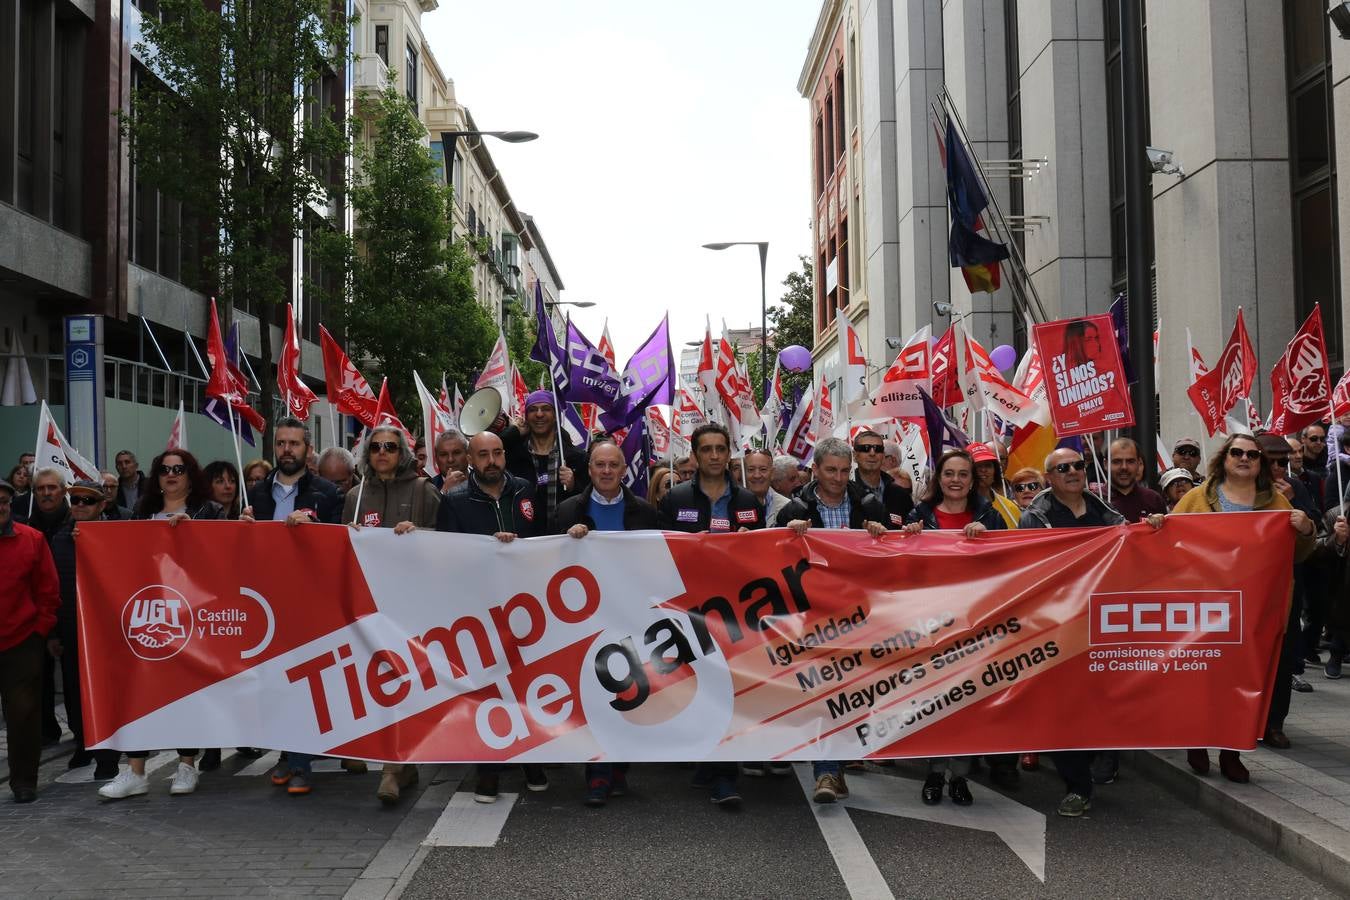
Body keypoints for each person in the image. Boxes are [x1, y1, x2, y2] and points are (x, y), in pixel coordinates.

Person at [1018, 447, 1162, 817]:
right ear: (1049, 477)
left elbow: (1137, 556)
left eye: (1078, 466)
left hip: (1102, 626)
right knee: (1062, 709)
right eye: (1062, 468)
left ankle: (1096, 758)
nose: (1072, 472)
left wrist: (1155, 531)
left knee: (1100, 704)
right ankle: (1077, 785)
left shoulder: (1108, 515)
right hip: (1056, 627)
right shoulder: (1035, 519)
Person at [1172, 433, 1315, 782]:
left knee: (1242, 683)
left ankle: (1232, 751)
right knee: (1203, 680)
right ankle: (1197, 740)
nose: (1244, 458)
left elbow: (1298, 554)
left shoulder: (1277, 503)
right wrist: (1160, 525)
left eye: (1252, 454)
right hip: (1205, 608)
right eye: (1237, 452)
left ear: (1260, 464)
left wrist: (1307, 529)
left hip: (1254, 613)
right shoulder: (1196, 498)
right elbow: (1170, 543)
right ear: (1224, 458)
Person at [99, 450, 224, 801]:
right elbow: (122, 553)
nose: (171, 475)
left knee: (186, 691)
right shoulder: (141, 511)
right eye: (165, 470)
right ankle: (135, 771)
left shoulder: (208, 511)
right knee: (142, 691)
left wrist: (192, 534)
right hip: (149, 611)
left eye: (178, 469)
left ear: (190, 474)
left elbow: (221, 559)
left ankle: (187, 764)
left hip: (190, 615)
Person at [776, 437, 890, 804]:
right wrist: (786, 535)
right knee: (825, 691)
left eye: (844, 471)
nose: (839, 478)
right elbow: (769, 559)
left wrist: (879, 534)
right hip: (811, 616)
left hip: (858, 615)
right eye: (831, 470)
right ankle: (826, 772)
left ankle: (835, 766)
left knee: (851, 693)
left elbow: (893, 554)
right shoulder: (795, 507)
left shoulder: (869, 504)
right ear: (816, 469)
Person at [436, 431, 547, 803]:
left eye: (497, 453)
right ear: (471, 458)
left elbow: (545, 540)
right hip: (479, 608)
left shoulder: (525, 490)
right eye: (483, 454)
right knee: (487, 689)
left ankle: (532, 758)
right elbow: (445, 556)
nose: (492, 461)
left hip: (525, 605)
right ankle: (489, 769)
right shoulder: (453, 500)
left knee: (527, 683)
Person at [659, 423, 765, 807]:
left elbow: (762, 554)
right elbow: (662, 554)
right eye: (708, 449)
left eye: (722, 448)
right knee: (699, 683)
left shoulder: (749, 502)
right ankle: (708, 757)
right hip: (690, 608)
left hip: (735, 610)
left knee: (730, 687)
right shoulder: (675, 499)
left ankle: (724, 774)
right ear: (696, 454)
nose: (716, 455)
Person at [237, 419, 344, 796]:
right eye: (281, 443)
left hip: (309, 602)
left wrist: (313, 527)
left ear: (307, 449)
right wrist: (241, 526)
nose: (287, 450)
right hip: (265, 602)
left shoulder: (327, 493)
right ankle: (288, 756)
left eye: (294, 443)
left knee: (302, 681)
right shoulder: (253, 495)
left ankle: (299, 762)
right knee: (276, 683)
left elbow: (340, 546)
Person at [557, 441, 661, 807]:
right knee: (595, 696)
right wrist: (567, 545)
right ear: (589, 469)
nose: (605, 471)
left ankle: (619, 766)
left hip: (632, 616)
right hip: (585, 621)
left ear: (623, 469)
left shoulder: (646, 513)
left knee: (630, 692)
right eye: (599, 464)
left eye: (612, 465)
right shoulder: (568, 511)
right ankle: (598, 773)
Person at [343, 426, 440, 804]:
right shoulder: (355, 495)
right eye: (377, 447)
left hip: (410, 606)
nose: (383, 452)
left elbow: (446, 542)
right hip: (369, 606)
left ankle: (391, 769)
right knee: (376, 683)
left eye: (391, 447)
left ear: (402, 454)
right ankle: (400, 763)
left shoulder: (422, 491)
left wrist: (420, 533)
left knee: (403, 683)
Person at [902, 449, 1006, 799]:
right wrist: (910, 537)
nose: (956, 480)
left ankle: (960, 775)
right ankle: (933, 773)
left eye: (964, 474)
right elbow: (901, 569)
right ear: (939, 479)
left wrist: (989, 539)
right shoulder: (919, 516)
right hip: (931, 625)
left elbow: (1011, 564)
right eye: (949, 473)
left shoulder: (990, 517)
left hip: (975, 623)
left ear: (973, 480)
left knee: (966, 701)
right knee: (933, 702)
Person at [47, 480, 120, 780]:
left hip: (107, 630)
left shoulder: (117, 536)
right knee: (75, 692)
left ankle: (108, 756)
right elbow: (51, 589)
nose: (79, 505)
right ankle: (82, 743)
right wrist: (53, 634)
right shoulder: (59, 539)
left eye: (87, 501)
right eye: (74, 500)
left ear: (102, 505)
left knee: (106, 692)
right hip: (70, 629)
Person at [0, 476, 59, 803]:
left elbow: (48, 590)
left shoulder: (32, 539)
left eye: (5, 502)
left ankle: (24, 781)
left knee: (23, 714)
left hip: (22, 640)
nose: (1, 508)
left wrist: (40, 630)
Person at [501, 391, 587, 533]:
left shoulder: (576, 458)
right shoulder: (512, 457)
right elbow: (484, 449)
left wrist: (574, 485)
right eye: (533, 410)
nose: (539, 414)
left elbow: (591, 499)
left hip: (565, 542)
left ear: (555, 415)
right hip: (526, 544)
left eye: (546, 409)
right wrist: (513, 432)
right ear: (526, 416)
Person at [27, 468, 68, 745]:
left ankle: (84, 735)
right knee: (37, 680)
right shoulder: (26, 529)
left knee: (76, 681)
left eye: (52, 488)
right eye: (40, 489)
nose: (46, 493)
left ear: (63, 491)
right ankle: (46, 730)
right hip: (37, 617)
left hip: (73, 614)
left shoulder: (78, 522)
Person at [1315, 507, 1350, 681]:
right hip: (1342, 586)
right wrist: (1337, 540)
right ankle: (1336, 653)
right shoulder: (1336, 515)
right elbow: (1314, 550)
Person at [851, 429, 913, 525]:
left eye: (878, 449)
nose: (872, 453)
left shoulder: (900, 494)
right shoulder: (846, 491)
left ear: (883, 456)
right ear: (855, 455)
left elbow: (911, 527)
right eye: (865, 448)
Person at [1101, 437, 1167, 524]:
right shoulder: (1095, 501)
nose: (1124, 467)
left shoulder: (1154, 499)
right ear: (1106, 464)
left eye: (1130, 461)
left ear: (1139, 463)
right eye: (1117, 461)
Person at [967, 443, 1021, 528]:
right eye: (977, 466)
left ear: (995, 471)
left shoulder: (1011, 508)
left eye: (988, 465)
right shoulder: (958, 508)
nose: (983, 470)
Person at [744, 449, 791, 524]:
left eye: (763, 469)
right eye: (751, 469)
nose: (757, 475)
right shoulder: (731, 504)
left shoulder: (787, 507)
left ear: (772, 473)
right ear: (744, 472)